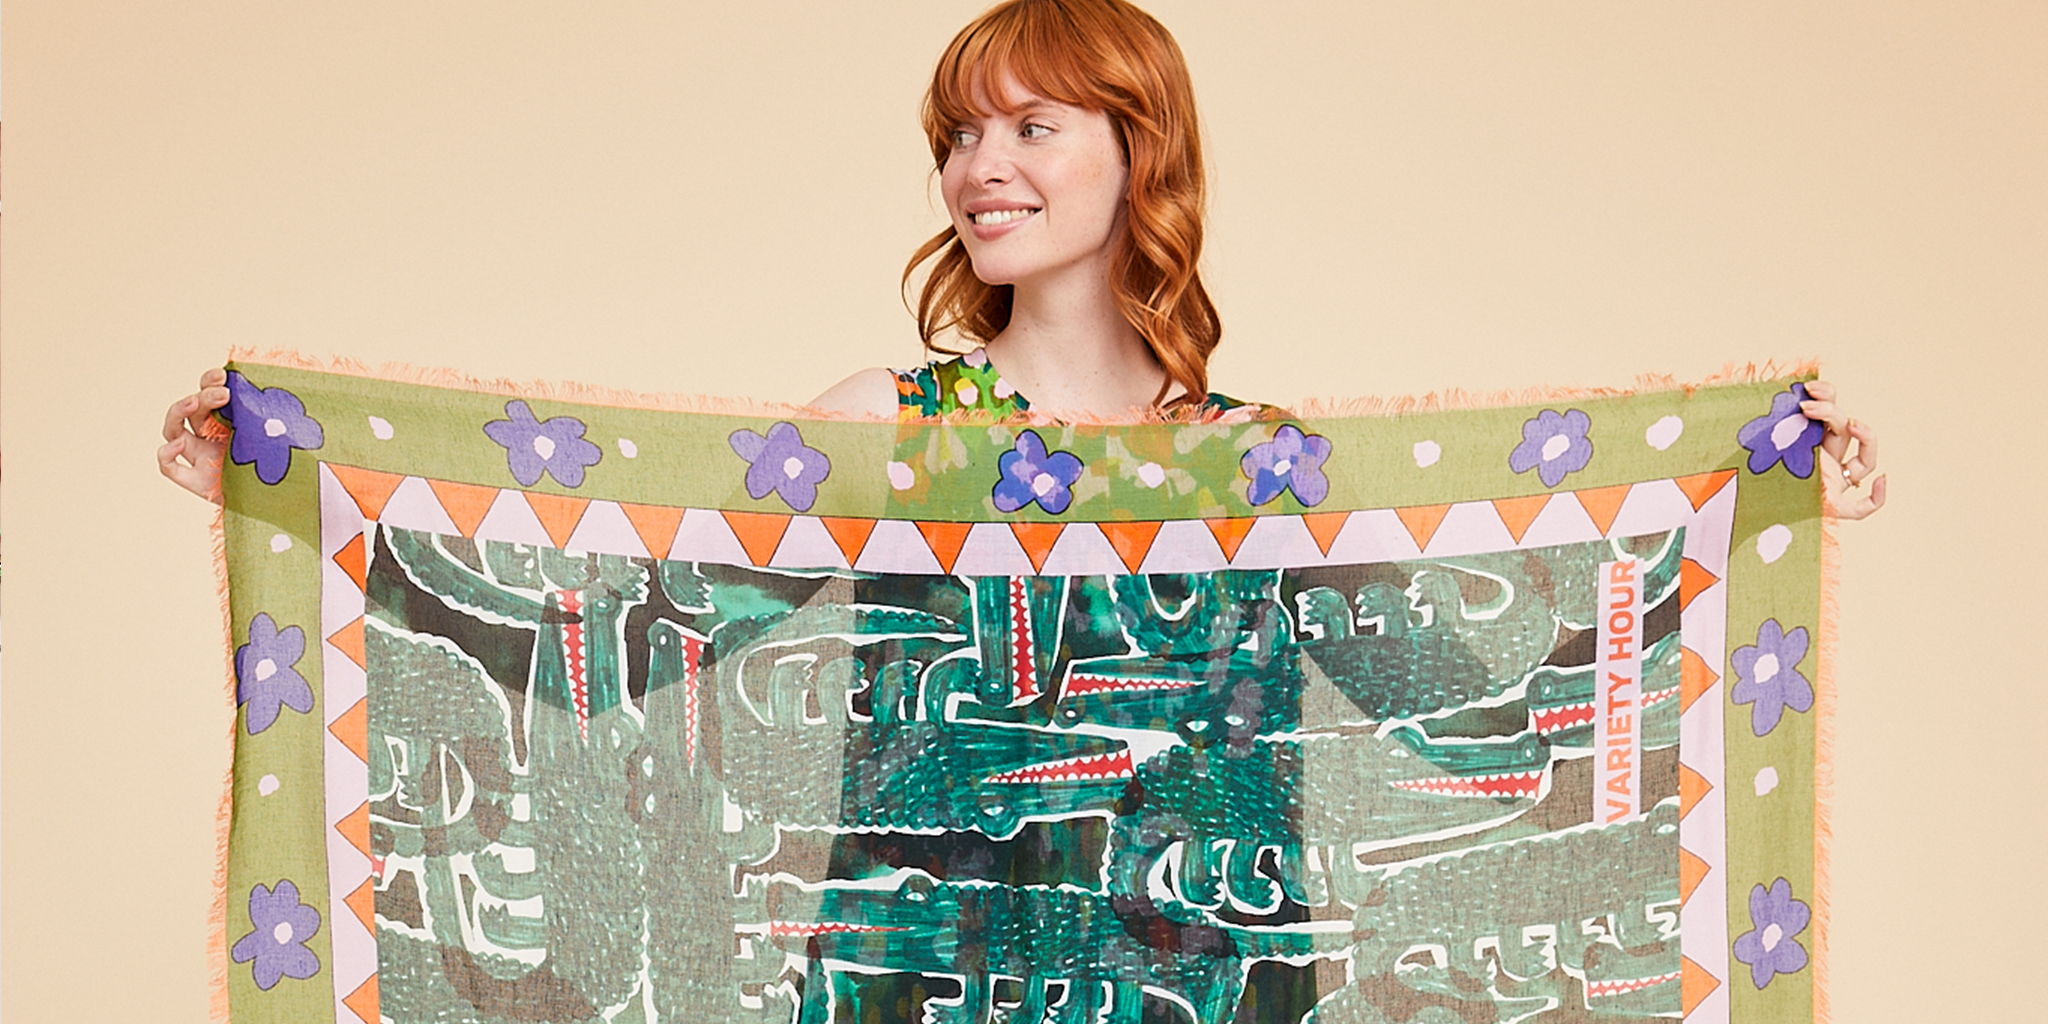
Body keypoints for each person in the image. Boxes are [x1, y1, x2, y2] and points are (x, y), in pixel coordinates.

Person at [159, 0, 1885, 519]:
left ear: (1142, 155)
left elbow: (1472, 685)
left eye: (1034, 126)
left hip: (1215, 982)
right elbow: (647, 605)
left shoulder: (1256, 462)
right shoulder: (881, 423)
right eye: (959, 134)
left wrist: (1759, 492)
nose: (981, 167)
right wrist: (294, 479)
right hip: (919, 983)